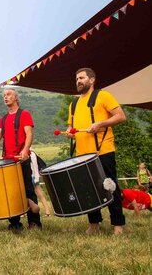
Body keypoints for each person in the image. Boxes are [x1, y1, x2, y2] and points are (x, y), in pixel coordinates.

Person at [66, 67, 126, 235]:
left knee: (110, 187)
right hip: (82, 155)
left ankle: (118, 224)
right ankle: (94, 224)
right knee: (88, 190)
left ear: (92, 80)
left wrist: (100, 124)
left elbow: (121, 116)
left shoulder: (103, 96)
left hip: (103, 151)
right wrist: (69, 132)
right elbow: (71, 125)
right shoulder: (74, 103)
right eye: (77, 78)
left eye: (82, 78)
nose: (78, 81)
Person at [0, 88, 42, 231]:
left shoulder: (24, 114)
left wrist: (25, 150)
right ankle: (14, 223)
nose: (5, 97)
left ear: (16, 98)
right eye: (4, 96)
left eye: (8, 95)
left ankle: (34, 222)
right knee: (10, 192)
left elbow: (29, 134)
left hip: (22, 159)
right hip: (8, 161)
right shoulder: (3, 118)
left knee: (28, 189)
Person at [30, 150, 51, 217]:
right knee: (38, 191)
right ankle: (47, 210)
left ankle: (25, 212)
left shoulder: (30, 153)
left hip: (30, 173)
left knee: (33, 191)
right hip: (33, 173)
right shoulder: (32, 153)